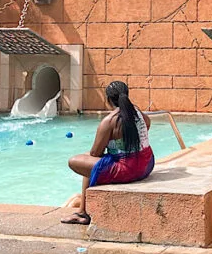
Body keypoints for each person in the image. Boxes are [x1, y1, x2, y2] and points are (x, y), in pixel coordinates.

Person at [61, 80, 154, 225]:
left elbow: (95, 153)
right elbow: (147, 124)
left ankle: (83, 213)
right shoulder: (137, 112)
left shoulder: (110, 121)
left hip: (128, 170)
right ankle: (82, 212)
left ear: (109, 99)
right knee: (90, 161)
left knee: (76, 161)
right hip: (147, 164)